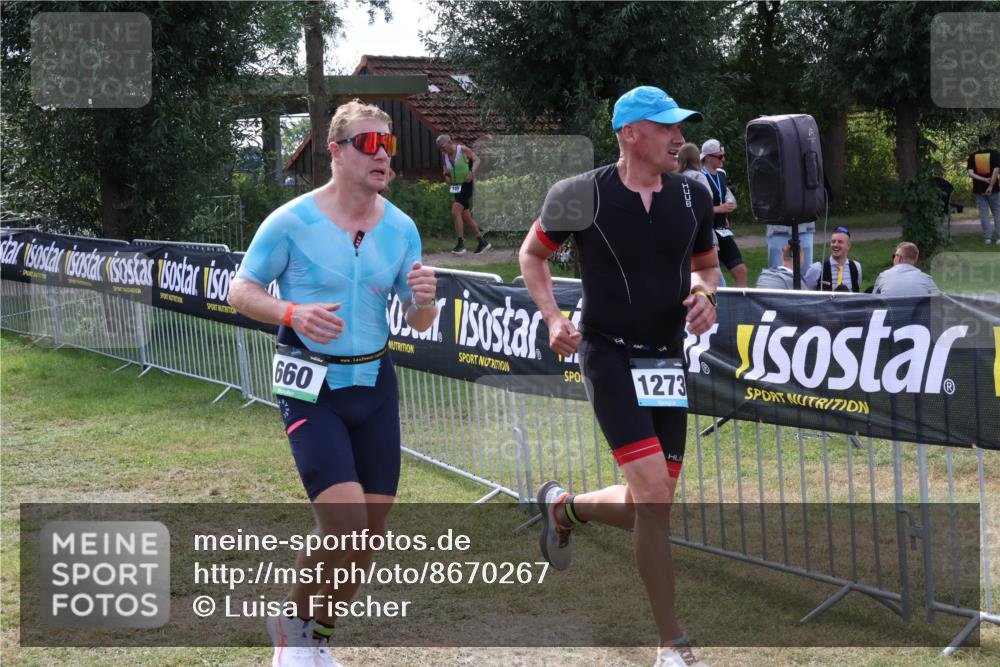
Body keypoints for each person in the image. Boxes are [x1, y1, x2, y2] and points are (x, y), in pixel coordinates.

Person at [228, 99, 438, 667]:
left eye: (388, 144)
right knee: (344, 525)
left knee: (370, 534)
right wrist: (291, 312)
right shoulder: (291, 220)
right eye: (369, 143)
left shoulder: (402, 228)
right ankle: (292, 634)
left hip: (374, 382)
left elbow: (418, 318)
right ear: (336, 152)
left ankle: (317, 637)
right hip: (310, 384)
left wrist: (425, 301)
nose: (382, 155)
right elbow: (241, 290)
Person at [519, 85, 718, 667]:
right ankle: (672, 644)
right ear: (630, 133)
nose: (679, 138)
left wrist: (706, 295)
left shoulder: (694, 195)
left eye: (680, 127)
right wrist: (553, 316)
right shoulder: (579, 195)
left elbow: (706, 266)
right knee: (653, 498)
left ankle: (565, 508)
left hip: (667, 361)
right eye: (667, 127)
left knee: (648, 503)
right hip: (608, 357)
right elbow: (532, 255)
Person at [700, 139, 748, 287]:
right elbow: (696, 208)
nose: (723, 159)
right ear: (708, 157)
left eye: (723, 155)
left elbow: (723, 195)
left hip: (722, 230)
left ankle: (737, 303)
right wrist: (718, 209)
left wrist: (725, 213)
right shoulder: (699, 176)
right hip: (707, 233)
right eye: (720, 156)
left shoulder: (721, 174)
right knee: (714, 279)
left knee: (741, 271)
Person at [678, 142, 725, 287]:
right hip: (702, 230)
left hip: (684, 230)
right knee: (711, 270)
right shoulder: (698, 176)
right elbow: (707, 200)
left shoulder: (675, 178)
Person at [436, 133, 491, 254]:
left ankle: (460, 245)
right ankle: (482, 242)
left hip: (467, 184)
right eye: (440, 148)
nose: (443, 150)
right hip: (456, 187)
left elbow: (477, 160)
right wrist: (446, 176)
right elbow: (446, 170)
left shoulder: (462, 150)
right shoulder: (444, 156)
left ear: (450, 142)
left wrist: (472, 172)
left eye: (443, 147)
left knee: (455, 210)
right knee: (466, 217)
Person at [803, 226, 862, 292]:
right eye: (833, 242)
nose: (835, 245)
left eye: (840, 242)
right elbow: (806, 294)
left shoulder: (856, 267)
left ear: (848, 246)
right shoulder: (816, 269)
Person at [872, 242, 940, 296]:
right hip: (917, 310)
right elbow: (940, 300)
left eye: (894, 256)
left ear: (899, 258)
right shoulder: (926, 279)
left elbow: (873, 301)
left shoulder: (883, 276)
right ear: (915, 260)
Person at [967, 133, 1000, 244]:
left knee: (984, 214)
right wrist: (990, 186)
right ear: (989, 142)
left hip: (979, 189)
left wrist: (984, 180)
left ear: (980, 143)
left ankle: (987, 238)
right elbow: (996, 171)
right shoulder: (995, 154)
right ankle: (999, 238)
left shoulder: (973, 156)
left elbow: (970, 173)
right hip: (994, 189)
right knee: (997, 212)